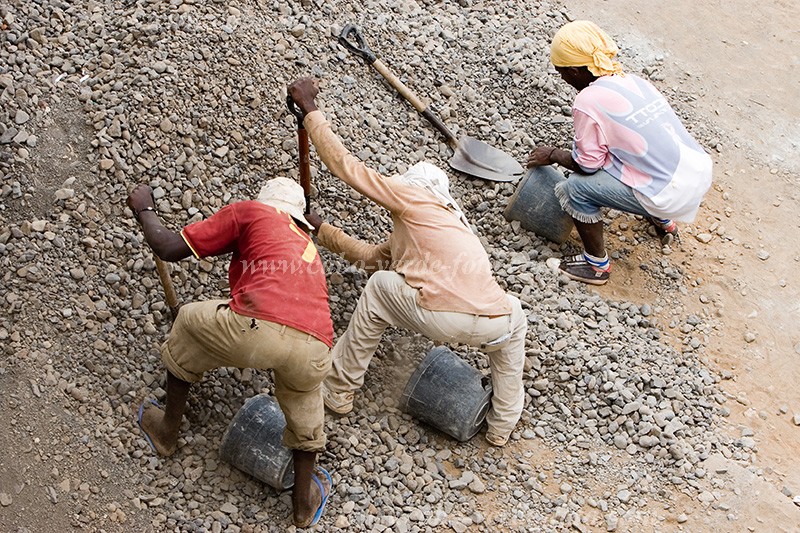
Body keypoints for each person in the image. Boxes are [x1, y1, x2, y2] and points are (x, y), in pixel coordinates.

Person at [287, 77, 528, 447]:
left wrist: (311, 113)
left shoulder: (415, 200)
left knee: (381, 288)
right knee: (513, 311)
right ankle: (501, 427)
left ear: (413, 187)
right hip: (491, 323)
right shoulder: (447, 225)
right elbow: (371, 257)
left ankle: (338, 389)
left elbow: (344, 167)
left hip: (444, 316)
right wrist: (322, 229)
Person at [127, 178, 334, 528]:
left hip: (257, 328)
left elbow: (166, 248)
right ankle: (302, 505)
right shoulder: (306, 244)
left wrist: (144, 208)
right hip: (318, 344)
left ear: (265, 201)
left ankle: (166, 432)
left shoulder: (251, 212)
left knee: (190, 320)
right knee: (304, 396)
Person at [526, 20, 713, 285]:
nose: (563, 79)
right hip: (696, 171)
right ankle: (663, 221)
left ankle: (596, 266)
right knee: (627, 154)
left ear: (576, 71)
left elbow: (587, 165)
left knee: (576, 188)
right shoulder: (634, 81)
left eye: (561, 72)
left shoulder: (587, 100)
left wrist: (553, 154)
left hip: (671, 193)